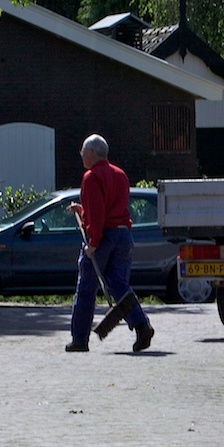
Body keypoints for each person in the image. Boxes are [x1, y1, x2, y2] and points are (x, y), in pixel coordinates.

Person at [65, 134, 154, 353]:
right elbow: (110, 208)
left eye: (83, 151)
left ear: (92, 153)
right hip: (123, 235)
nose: (81, 155)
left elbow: (98, 214)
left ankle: (79, 339)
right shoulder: (120, 175)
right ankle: (141, 324)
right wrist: (82, 211)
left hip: (104, 237)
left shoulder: (91, 177)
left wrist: (93, 242)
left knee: (86, 286)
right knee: (118, 283)